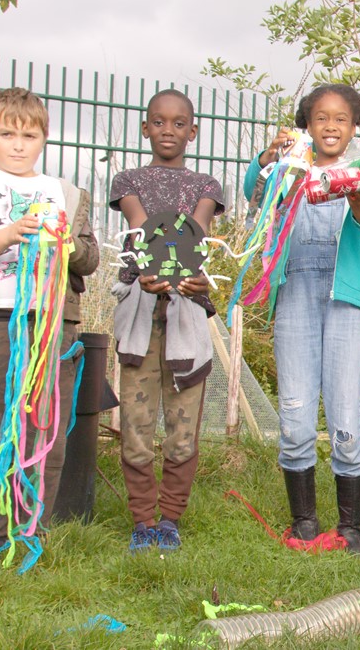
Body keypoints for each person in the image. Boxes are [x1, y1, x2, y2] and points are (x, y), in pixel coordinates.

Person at [241, 84, 360, 558]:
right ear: (307, 124)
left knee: (345, 414)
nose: (330, 126)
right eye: (321, 118)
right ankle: (304, 521)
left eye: (340, 119)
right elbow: (252, 192)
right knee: (297, 412)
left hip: (345, 298)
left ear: (354, 128)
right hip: (296, 293)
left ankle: (351, 527)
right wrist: (269, 157)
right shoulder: (290, 171)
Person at [0, 87, 100, 552]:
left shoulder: (66, 192)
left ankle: (33, 531)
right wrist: (2, 237)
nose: (18, 144)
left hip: (53, 325)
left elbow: (90, 258)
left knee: (46, 430)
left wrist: (69, 246)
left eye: (29, 135)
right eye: (7, 133)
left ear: (44, 139)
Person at [110, 89, 224, 552]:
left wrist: (189, 282)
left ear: (192, 132)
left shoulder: (206, 186)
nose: (168, 131)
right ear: (145, 128)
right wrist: (158, 272)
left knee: (181, 430)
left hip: (187, 318)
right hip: (140, 310)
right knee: (136, 425)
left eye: (179, 124)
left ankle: (170, 519)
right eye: (159, 122)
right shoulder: (127, 179)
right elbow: (142, 228)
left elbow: (195, 233)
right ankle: (142, 521)